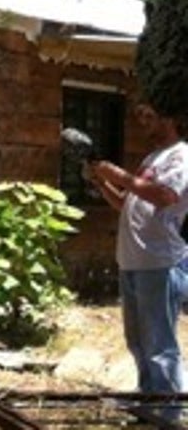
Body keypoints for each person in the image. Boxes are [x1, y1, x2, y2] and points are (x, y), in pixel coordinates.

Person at [85, 101, 188, 421]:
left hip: (160, 262)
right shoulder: (150, 159)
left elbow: (165, 197)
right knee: (138, 341)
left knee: (159, 343)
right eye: (140, 116)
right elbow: (125, 204)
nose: (143, 123)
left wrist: (119, 174)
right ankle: (148, 399)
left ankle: (170, 411)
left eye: (150, 116)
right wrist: (102, 183)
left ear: (170, 119)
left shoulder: (182, 156)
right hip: (132, 261)